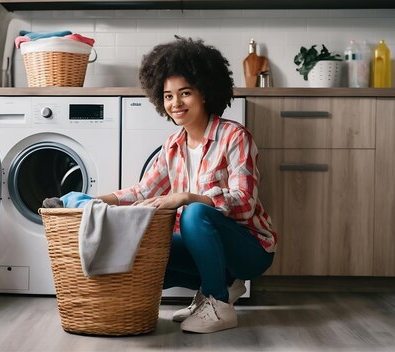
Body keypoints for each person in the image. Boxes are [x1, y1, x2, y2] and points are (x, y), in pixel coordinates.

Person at [96, 37, 277, 334]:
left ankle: (219, 305)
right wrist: (97, 201)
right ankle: (213, 289)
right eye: (168, 96)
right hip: (214, 246)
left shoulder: (234, 136)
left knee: (193, 213)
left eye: (185, 93)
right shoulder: (172, 146)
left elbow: (244, 204)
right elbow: (143, 192)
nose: (175, 104)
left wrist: (186, 197)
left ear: (204, 92)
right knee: (145, 248)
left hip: (251, 248)